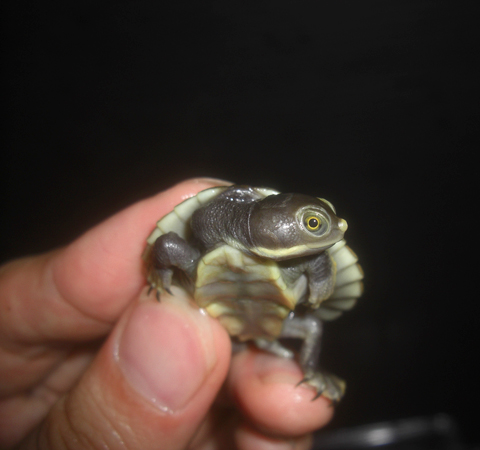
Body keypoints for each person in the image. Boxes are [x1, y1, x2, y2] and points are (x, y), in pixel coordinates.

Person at [0, 178, 334, 449]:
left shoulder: (299, 258)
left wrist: (320, 278)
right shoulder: (218, 222)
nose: (338, 227)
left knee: (311, 328)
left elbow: (317, 257)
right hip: (207, 313)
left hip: (259, 324)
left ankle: (311, 371)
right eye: (313, 222)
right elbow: (168, 246)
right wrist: (160, 274)